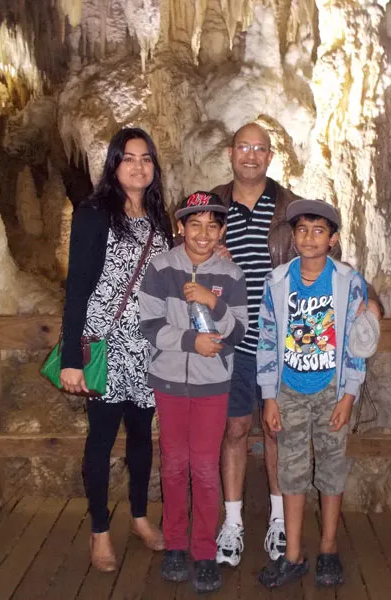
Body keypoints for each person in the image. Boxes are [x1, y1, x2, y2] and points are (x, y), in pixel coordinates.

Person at [211, 122, 384, 567]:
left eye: (260, 148)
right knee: (234, 430)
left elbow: (334, 267)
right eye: (244, 147)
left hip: (288, 351)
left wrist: (372, 303)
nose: (251, 155)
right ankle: (232, 523)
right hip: (232, 343)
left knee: (277, 434)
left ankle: (279, 523)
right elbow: (188, 253)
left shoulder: (289, 208)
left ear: (270, 156)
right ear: (231, 152)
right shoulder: (213, 206)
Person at [59, 127, 173, 572]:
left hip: (147, 347)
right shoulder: (94, 214)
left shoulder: (160, 218)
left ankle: (140, 517)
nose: (138, 166)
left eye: (146, 158)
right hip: (106, 345)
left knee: (142, 436)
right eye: (128, 158)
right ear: (114, 164)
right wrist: (72, 359)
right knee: (102, 440)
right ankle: (100, 530)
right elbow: (76, 289)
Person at [256, 199, 376, 588]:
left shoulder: (348, 282)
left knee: (331, 466)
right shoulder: (277, 282)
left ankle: (328, 547)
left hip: (331, 389)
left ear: (333, 239)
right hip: (289, 388)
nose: (309, 238)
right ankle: (293, 553)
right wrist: (269, 396)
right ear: (293, 236)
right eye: (303, 230)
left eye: (319, 231)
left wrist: (349, 395)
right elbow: (267, 340)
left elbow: (356, 343)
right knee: (290, 470)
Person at [139, 191, 248, 593]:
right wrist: (191, 342)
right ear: (180, 227)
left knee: (203, 467)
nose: (203, 234)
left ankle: (204, 550)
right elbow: (150, 325)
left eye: (212, 226)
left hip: (211, 385)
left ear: (222, 231)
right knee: (173, 464)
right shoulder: (161, 268)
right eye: (195, 225)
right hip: (169, 381)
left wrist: (212, 303)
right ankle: (174, 544)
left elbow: (239, 331)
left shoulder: (231, 275)